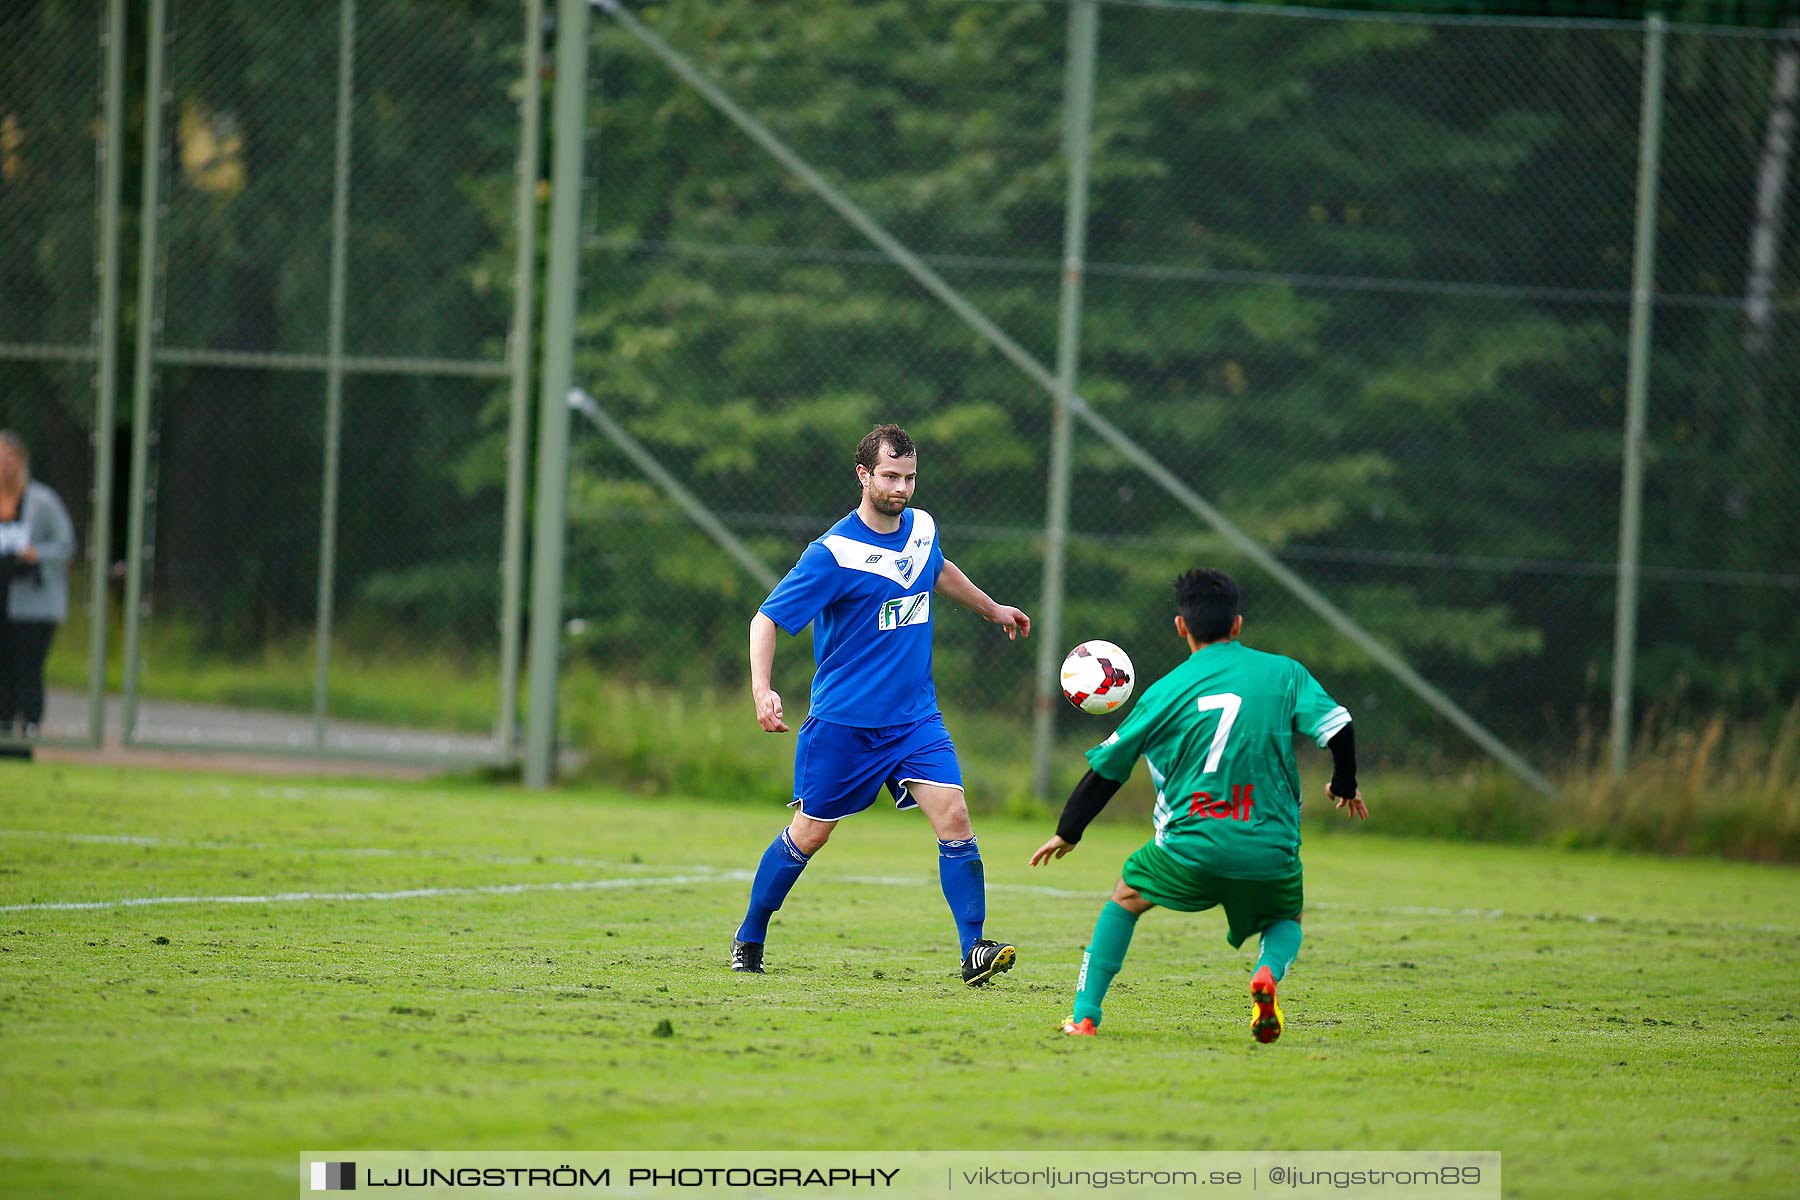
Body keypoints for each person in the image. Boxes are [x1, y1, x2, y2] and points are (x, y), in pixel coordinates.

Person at [734, 423, 1032, 986]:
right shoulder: (834, 553)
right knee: (810, 833)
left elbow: (937, 570)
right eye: (890, 476)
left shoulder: (921, 528)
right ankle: (750, 933)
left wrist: (991, 609)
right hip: (844, 722)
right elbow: (766, 619)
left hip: (915, 717)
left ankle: (973, 951)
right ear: (863, 474)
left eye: (910, 477)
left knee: (955, 817)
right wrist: (762, 688)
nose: (901, 488)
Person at [1029, 568, 1367, 1041]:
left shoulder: (1164, 692)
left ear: (1181, 627)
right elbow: (1340, 727)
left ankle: (1085, 1015)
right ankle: (1267, 972)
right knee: (1286, 918)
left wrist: (1069, 829)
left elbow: (1108, 769)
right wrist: (1345, 784)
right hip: (1269, 847)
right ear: (1238, 625)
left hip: (1190, 848)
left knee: (1125, 898)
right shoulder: (1284, 673)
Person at [0, 431, 77, 753]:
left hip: (33, 604)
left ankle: (26, 737)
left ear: (21, 460)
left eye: (7, 456)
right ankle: (3, 734)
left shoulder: (42, 501)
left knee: (27, 670)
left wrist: (36, 554)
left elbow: (65, 545)